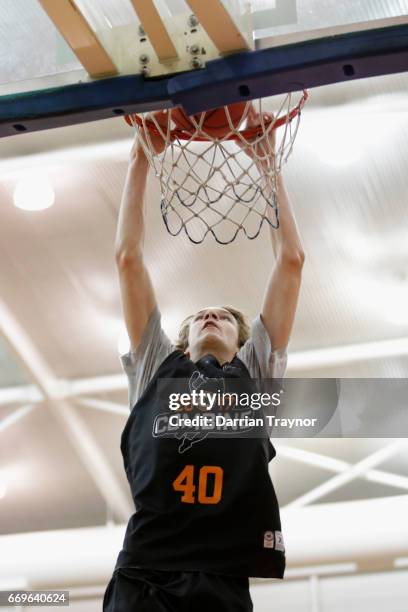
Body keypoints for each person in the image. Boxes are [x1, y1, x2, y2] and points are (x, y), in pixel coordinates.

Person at [103, 107, 304, 612]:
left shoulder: (255, 378)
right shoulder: (156, 366)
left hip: (222, 578)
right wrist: (140, 157)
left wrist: (268, 165)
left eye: (224, 317)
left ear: (244, 342)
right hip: (146, 575)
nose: (211, 315)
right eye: (200, 315)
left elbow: (291, 261)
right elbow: (128, 257)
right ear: (181, 338)